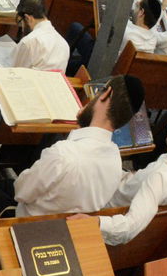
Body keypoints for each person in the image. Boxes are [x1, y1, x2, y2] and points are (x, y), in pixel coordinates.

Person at [12, 75, 144, 216]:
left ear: (106, 94)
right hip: (65, 232)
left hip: (23, 225)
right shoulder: (116, 162)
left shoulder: (63, 154)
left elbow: (21, 192)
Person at [94, 99, 167, 247]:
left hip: (105, 203)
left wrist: (96, 221)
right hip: (124, 186)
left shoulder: (160, 177)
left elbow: (129, 227)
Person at [11, 0, 71, 73]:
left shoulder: (29, 42)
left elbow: (14, 73)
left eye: (21, 23)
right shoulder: (64, 44)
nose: (22, 29)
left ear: (27, 18)